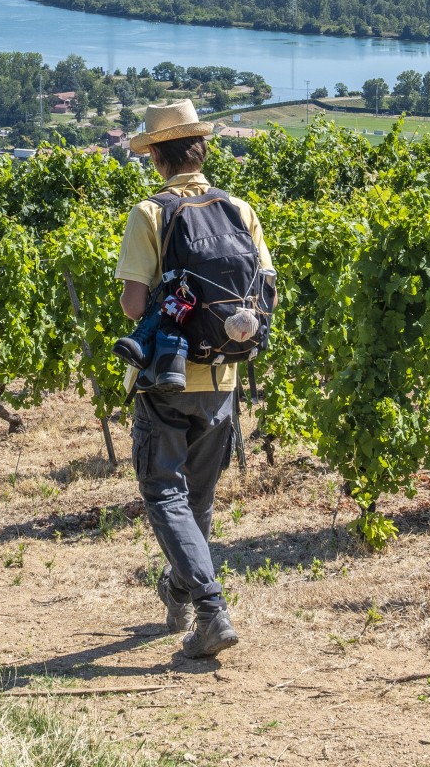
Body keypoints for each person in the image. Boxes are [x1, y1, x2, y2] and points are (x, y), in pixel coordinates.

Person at [116, 100, 276, 660]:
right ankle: (180, 589)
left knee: (163, 491)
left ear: (157, 157)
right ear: (201, 150)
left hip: (167, 375)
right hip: (224, 375)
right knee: (198, 498)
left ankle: (210, 609)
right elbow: (265, 289)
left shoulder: (150, 213)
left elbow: (135, 304)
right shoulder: (240, 209)